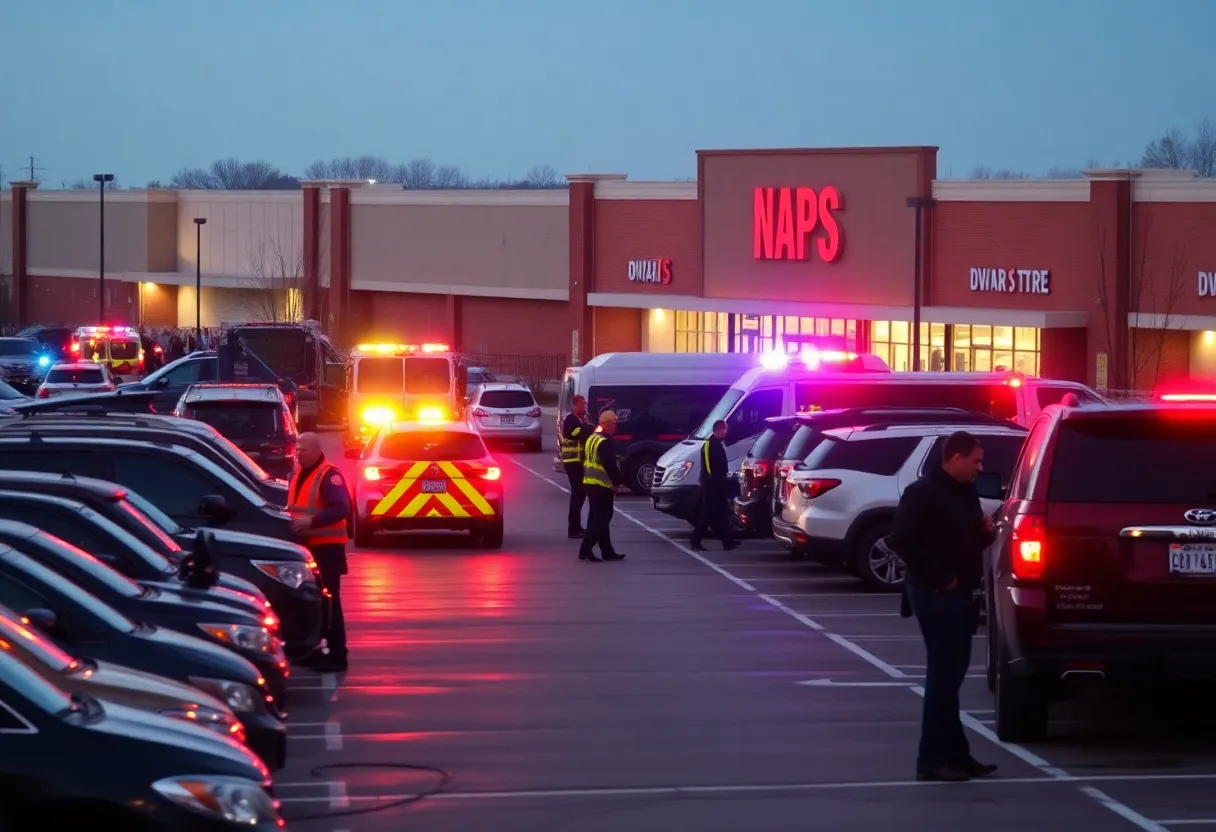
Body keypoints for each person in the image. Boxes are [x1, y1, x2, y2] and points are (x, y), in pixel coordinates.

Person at [888, 431, 998, 783]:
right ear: (955, 458)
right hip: (934, 593)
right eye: (976, 460)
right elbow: (902, 540)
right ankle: (931, 759)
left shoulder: (964, 493)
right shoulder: (923, 493)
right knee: (943, 673)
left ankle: (956, 754)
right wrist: (941, 577)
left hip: (962, 593)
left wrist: (986, 534)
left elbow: (968, 539)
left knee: (953, 673)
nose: (980, 467)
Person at [288, 432, 352, 673]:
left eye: (303, 449)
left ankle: (337, 655)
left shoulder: (329, 475)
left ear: (317, 451)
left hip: (327, 550)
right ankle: (313, 651)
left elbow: (341, 508)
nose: (298, 453)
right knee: (310, 603)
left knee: (330, 603)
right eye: (297, 449)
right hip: (307, 549)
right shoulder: (298, 473)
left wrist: (312, 522)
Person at [579, 411, 626, 563]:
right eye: (613, 423)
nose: (615, 427)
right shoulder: (605, 442)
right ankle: (585, 549)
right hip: (602, 485)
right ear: (605, 424)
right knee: (602, 519)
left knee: (596, 518)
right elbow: (610, 464)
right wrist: (617, 482)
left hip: (590, 483)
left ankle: (607, 552)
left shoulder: (592, 438)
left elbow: (583, 459)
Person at [690, 419, 739, 552]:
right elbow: (715, 469)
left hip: (712, 485)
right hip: (713, 486)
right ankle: (696, 540)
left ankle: (727, 541)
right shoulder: (713, 446)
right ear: (720, 430)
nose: (726, 433)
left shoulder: (711, 445)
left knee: (722, 513)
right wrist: (721, 484)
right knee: (707, 514)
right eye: (725, 430)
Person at [560, 395, 592, 538]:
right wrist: (585, 428)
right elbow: (573, 434)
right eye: (583, 404)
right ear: (576, 405)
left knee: (581, 494)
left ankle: (577, 526)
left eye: (585, 404)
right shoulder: (570, 419)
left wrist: (587, 427)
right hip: (572, 461)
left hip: (580, 462)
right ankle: (572, 529)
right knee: (577, 493)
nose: (585, 406)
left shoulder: (581, 420)